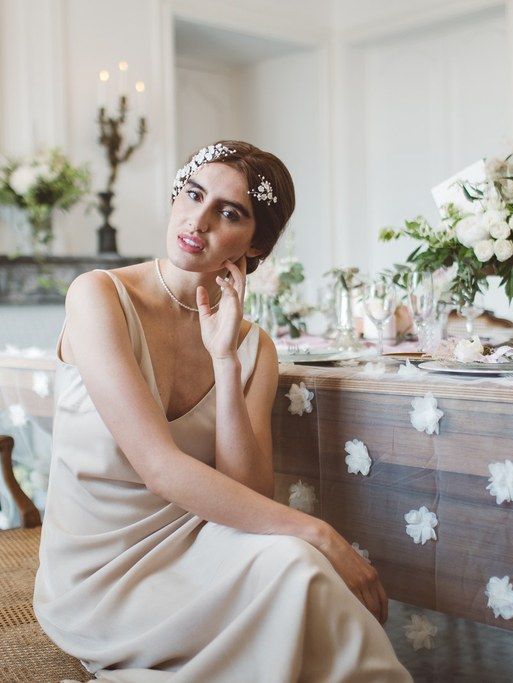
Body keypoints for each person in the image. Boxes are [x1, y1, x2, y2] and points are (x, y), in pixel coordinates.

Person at [33, 140, 412, 682]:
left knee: (293, 568)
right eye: (193, 195)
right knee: (304, 559)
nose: (199, 219)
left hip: (198, 546)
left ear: (254, 245)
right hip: (100, 577)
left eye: (229, 212)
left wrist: (225, 361)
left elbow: (249, 493)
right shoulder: (98, 297)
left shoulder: (254, 346)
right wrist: (322, 533)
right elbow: (159, 468)